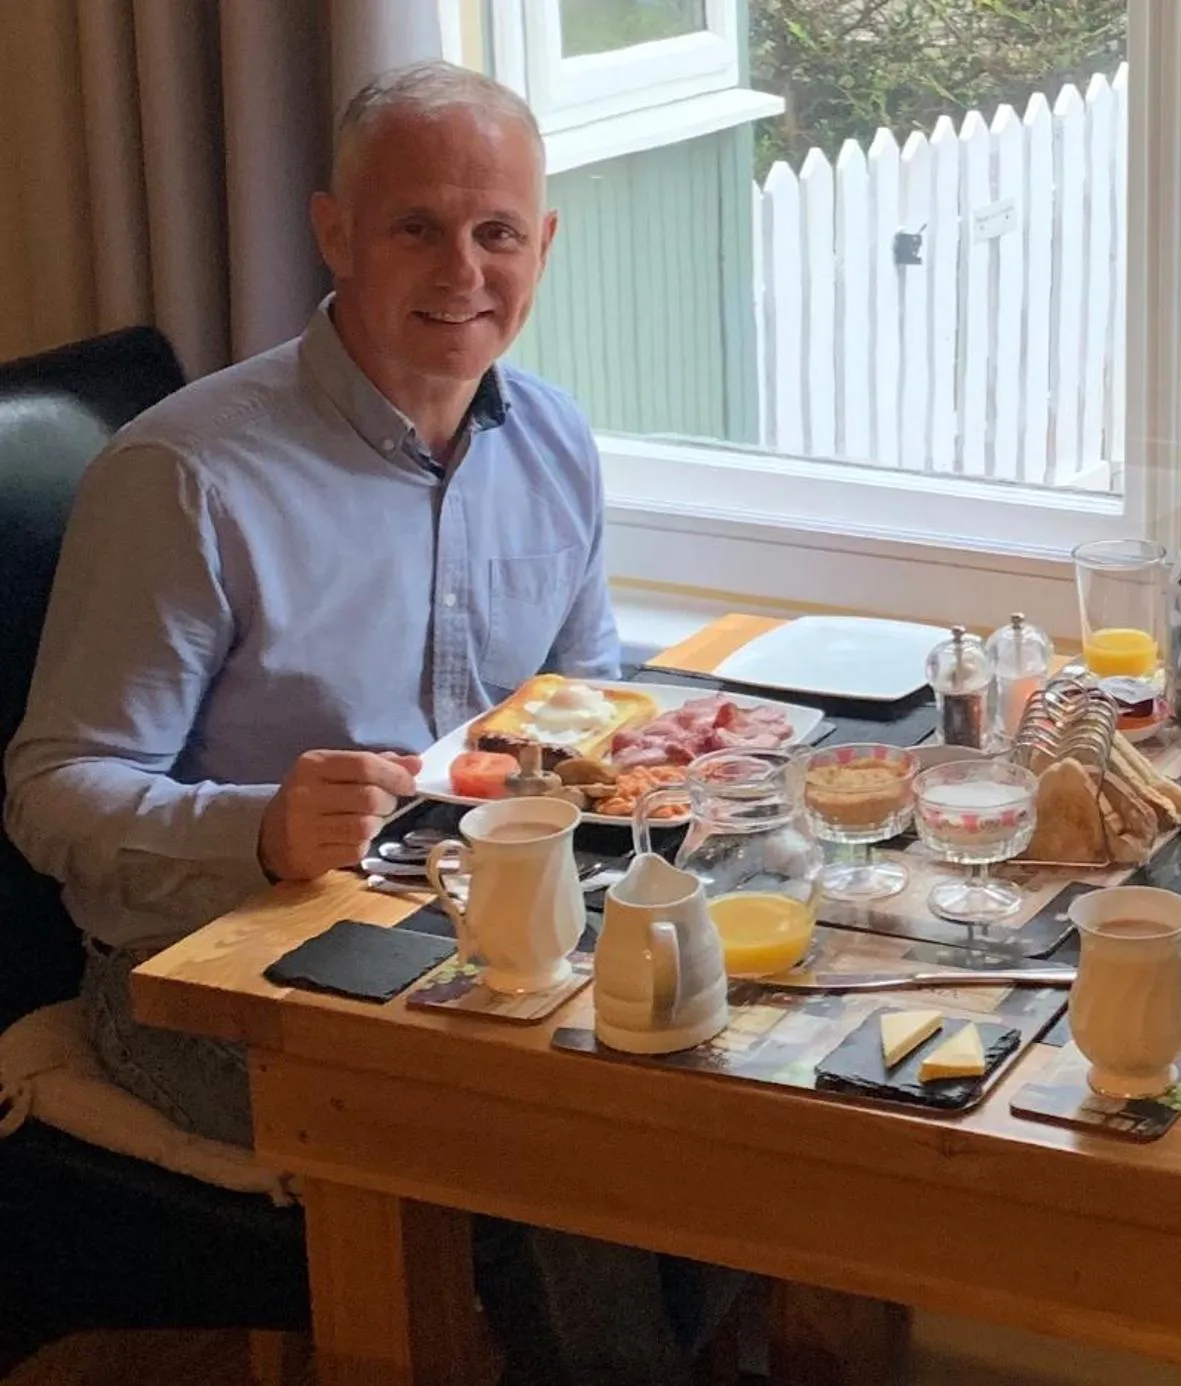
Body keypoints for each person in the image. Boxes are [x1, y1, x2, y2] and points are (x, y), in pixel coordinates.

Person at [4, 61, 744, 1385]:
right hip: (204, 981)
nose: (463, 268)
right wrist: (261, 830)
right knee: (542, 1136)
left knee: (728, 1043)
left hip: (475, 938)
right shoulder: (184, 480)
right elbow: (52, 790)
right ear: (335, 231)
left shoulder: (556, 440)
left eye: (497, 231)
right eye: (415, 225)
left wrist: (666, 762)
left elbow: (584, 711)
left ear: (544, 246)